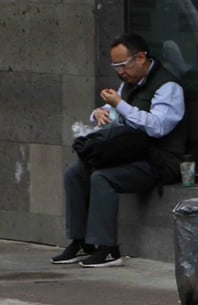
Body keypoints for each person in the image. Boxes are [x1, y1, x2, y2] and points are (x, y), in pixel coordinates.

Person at [52, 33, 186, 268]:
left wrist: (119, 105)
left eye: (123, 65)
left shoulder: (168, 87)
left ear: (141, 58)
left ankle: (108, 248)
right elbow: (114, 110)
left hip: (159, 161)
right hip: (131, 154)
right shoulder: (129, 85)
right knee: (75, 171)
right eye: (115, 66)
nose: (120, 71)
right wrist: (99, 113)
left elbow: (157, 127)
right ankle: (81, 241)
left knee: (103, 178)